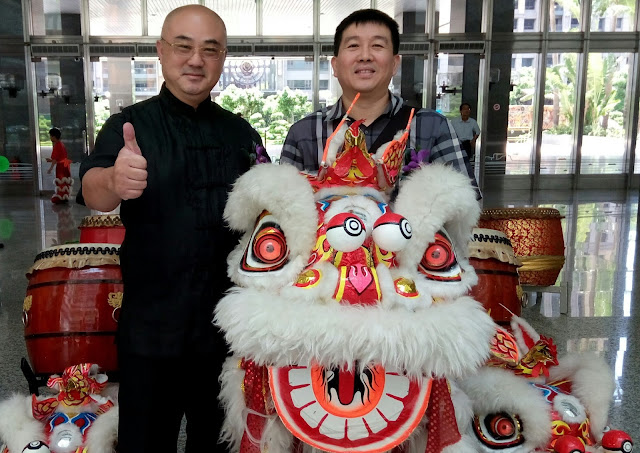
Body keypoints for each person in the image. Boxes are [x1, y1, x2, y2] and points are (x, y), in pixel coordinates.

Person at [78, 5, 264, 452]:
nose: (196, 60)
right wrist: (114, 180)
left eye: (210, 50)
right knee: (144, 443)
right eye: (183, 47)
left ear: (223, 58)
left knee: (218, 444)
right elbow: (93, 191)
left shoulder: (241, 133)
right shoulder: (129, 126)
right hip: (151, 330)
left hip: (224, 332)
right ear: (161, 52)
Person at [280, 8, 479, 197]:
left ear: (394, 64)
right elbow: (280, 211)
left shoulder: (433, 127)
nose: (365, 56)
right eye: (353, 46)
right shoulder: (303, 133)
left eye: (377, 45)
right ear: (335, 65)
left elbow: (463, 207)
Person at [46, 127, 72, 203]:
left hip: (61, 167)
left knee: (61, 181)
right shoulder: (61, 144)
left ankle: (61, 196)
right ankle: (65, 196)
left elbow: (55, 159)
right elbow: (59, 158)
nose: (50, 138)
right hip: (65, 165)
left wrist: (50, 168)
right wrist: (51, 160)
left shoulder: (57, 145)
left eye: (50, 136)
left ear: (54, 136)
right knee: (65, 181)